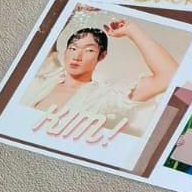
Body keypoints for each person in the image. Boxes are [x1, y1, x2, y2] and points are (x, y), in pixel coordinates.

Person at [26, 16, 178, 125]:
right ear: (65, 51)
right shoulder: (50, 75)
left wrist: (132, 30)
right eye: (73, 48)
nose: (77, 56)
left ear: (102, 55)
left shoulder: (104, 97)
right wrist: (73, 11)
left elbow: (169, 76)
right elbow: (43, 36)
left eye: (89, 50)